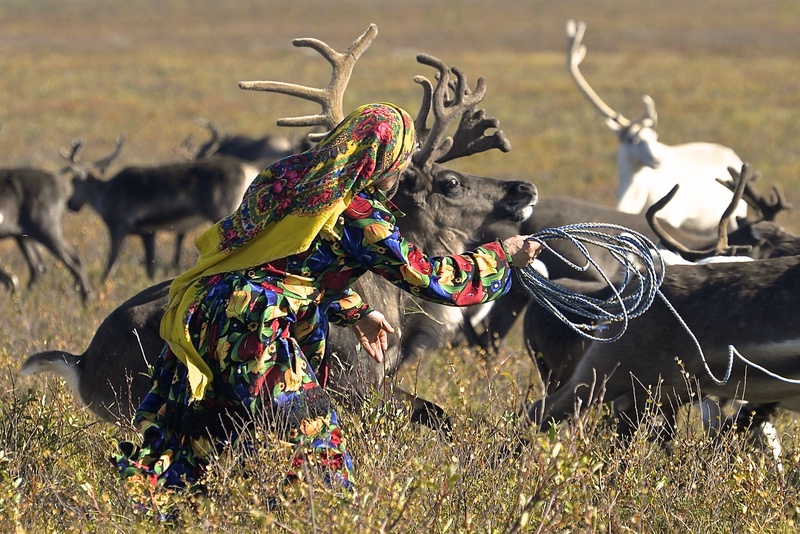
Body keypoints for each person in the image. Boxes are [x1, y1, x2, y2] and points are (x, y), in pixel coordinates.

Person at [112, 102, 540, 496]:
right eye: (401, 159)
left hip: (205, 312)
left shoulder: (286, 174)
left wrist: (356, 312)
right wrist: (503, 256)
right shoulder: (356, 211)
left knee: (211, 437)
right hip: (256, 327)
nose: (402, 169)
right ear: (380, 158)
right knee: (317, 445)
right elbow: (431, 280)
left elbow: (286, 260)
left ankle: (164, 514)